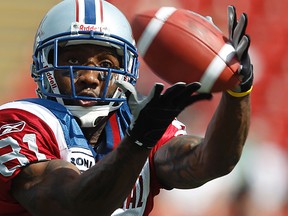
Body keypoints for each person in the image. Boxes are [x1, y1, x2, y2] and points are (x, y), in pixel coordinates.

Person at [0, 0, 253, 215]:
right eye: (73, 60)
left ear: (127, 69)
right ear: (44, 65)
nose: (90, 77)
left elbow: (211, 161)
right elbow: (71, 207)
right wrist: (138, 142)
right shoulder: (20, 123)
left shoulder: (138, 122)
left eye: (107, 63)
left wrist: (237, 91)